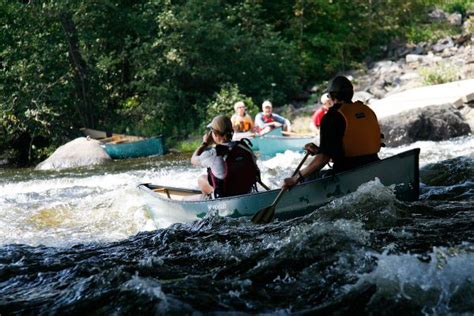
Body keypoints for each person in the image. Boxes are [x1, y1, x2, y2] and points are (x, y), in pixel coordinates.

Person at [283, 76, 381, 188]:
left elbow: (323, 158)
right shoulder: (367, 111)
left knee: (306, 179)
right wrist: (320, 150)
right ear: (351, 93)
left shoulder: (331, 117)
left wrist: (296, 178)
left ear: (331, 96)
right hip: (375, 167)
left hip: (347, 173)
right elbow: (359, 143)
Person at [191, 115, 260, 198]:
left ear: (215, 134)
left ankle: (209, 199)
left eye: (211, 131)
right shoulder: (244, 147)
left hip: (226, 197)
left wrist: (204, 143)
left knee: (201, 179)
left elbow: (193, 160)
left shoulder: (214, 153)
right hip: (246, 192)